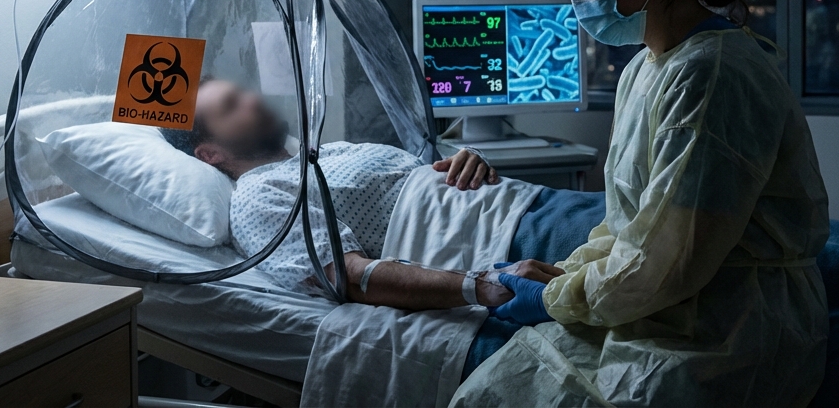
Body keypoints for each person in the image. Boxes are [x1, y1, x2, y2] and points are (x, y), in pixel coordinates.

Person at [451, 0, 831, 407]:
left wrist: (558, 298)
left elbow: (671, 256)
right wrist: (570, 274)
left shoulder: (712, 74)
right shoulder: (645, 69)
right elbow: (630, 222)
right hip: (662, 303)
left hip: (726, 331)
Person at [162, 79, 564, 311]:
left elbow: (429, 175)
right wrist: (480, 285)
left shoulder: (323, 155)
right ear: (209, 154)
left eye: (243, 91)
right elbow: (350, 277)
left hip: (531, 203)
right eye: (232, 106)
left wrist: (471, 159)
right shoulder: (259, 197)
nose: (252, 99)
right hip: (513, 241)